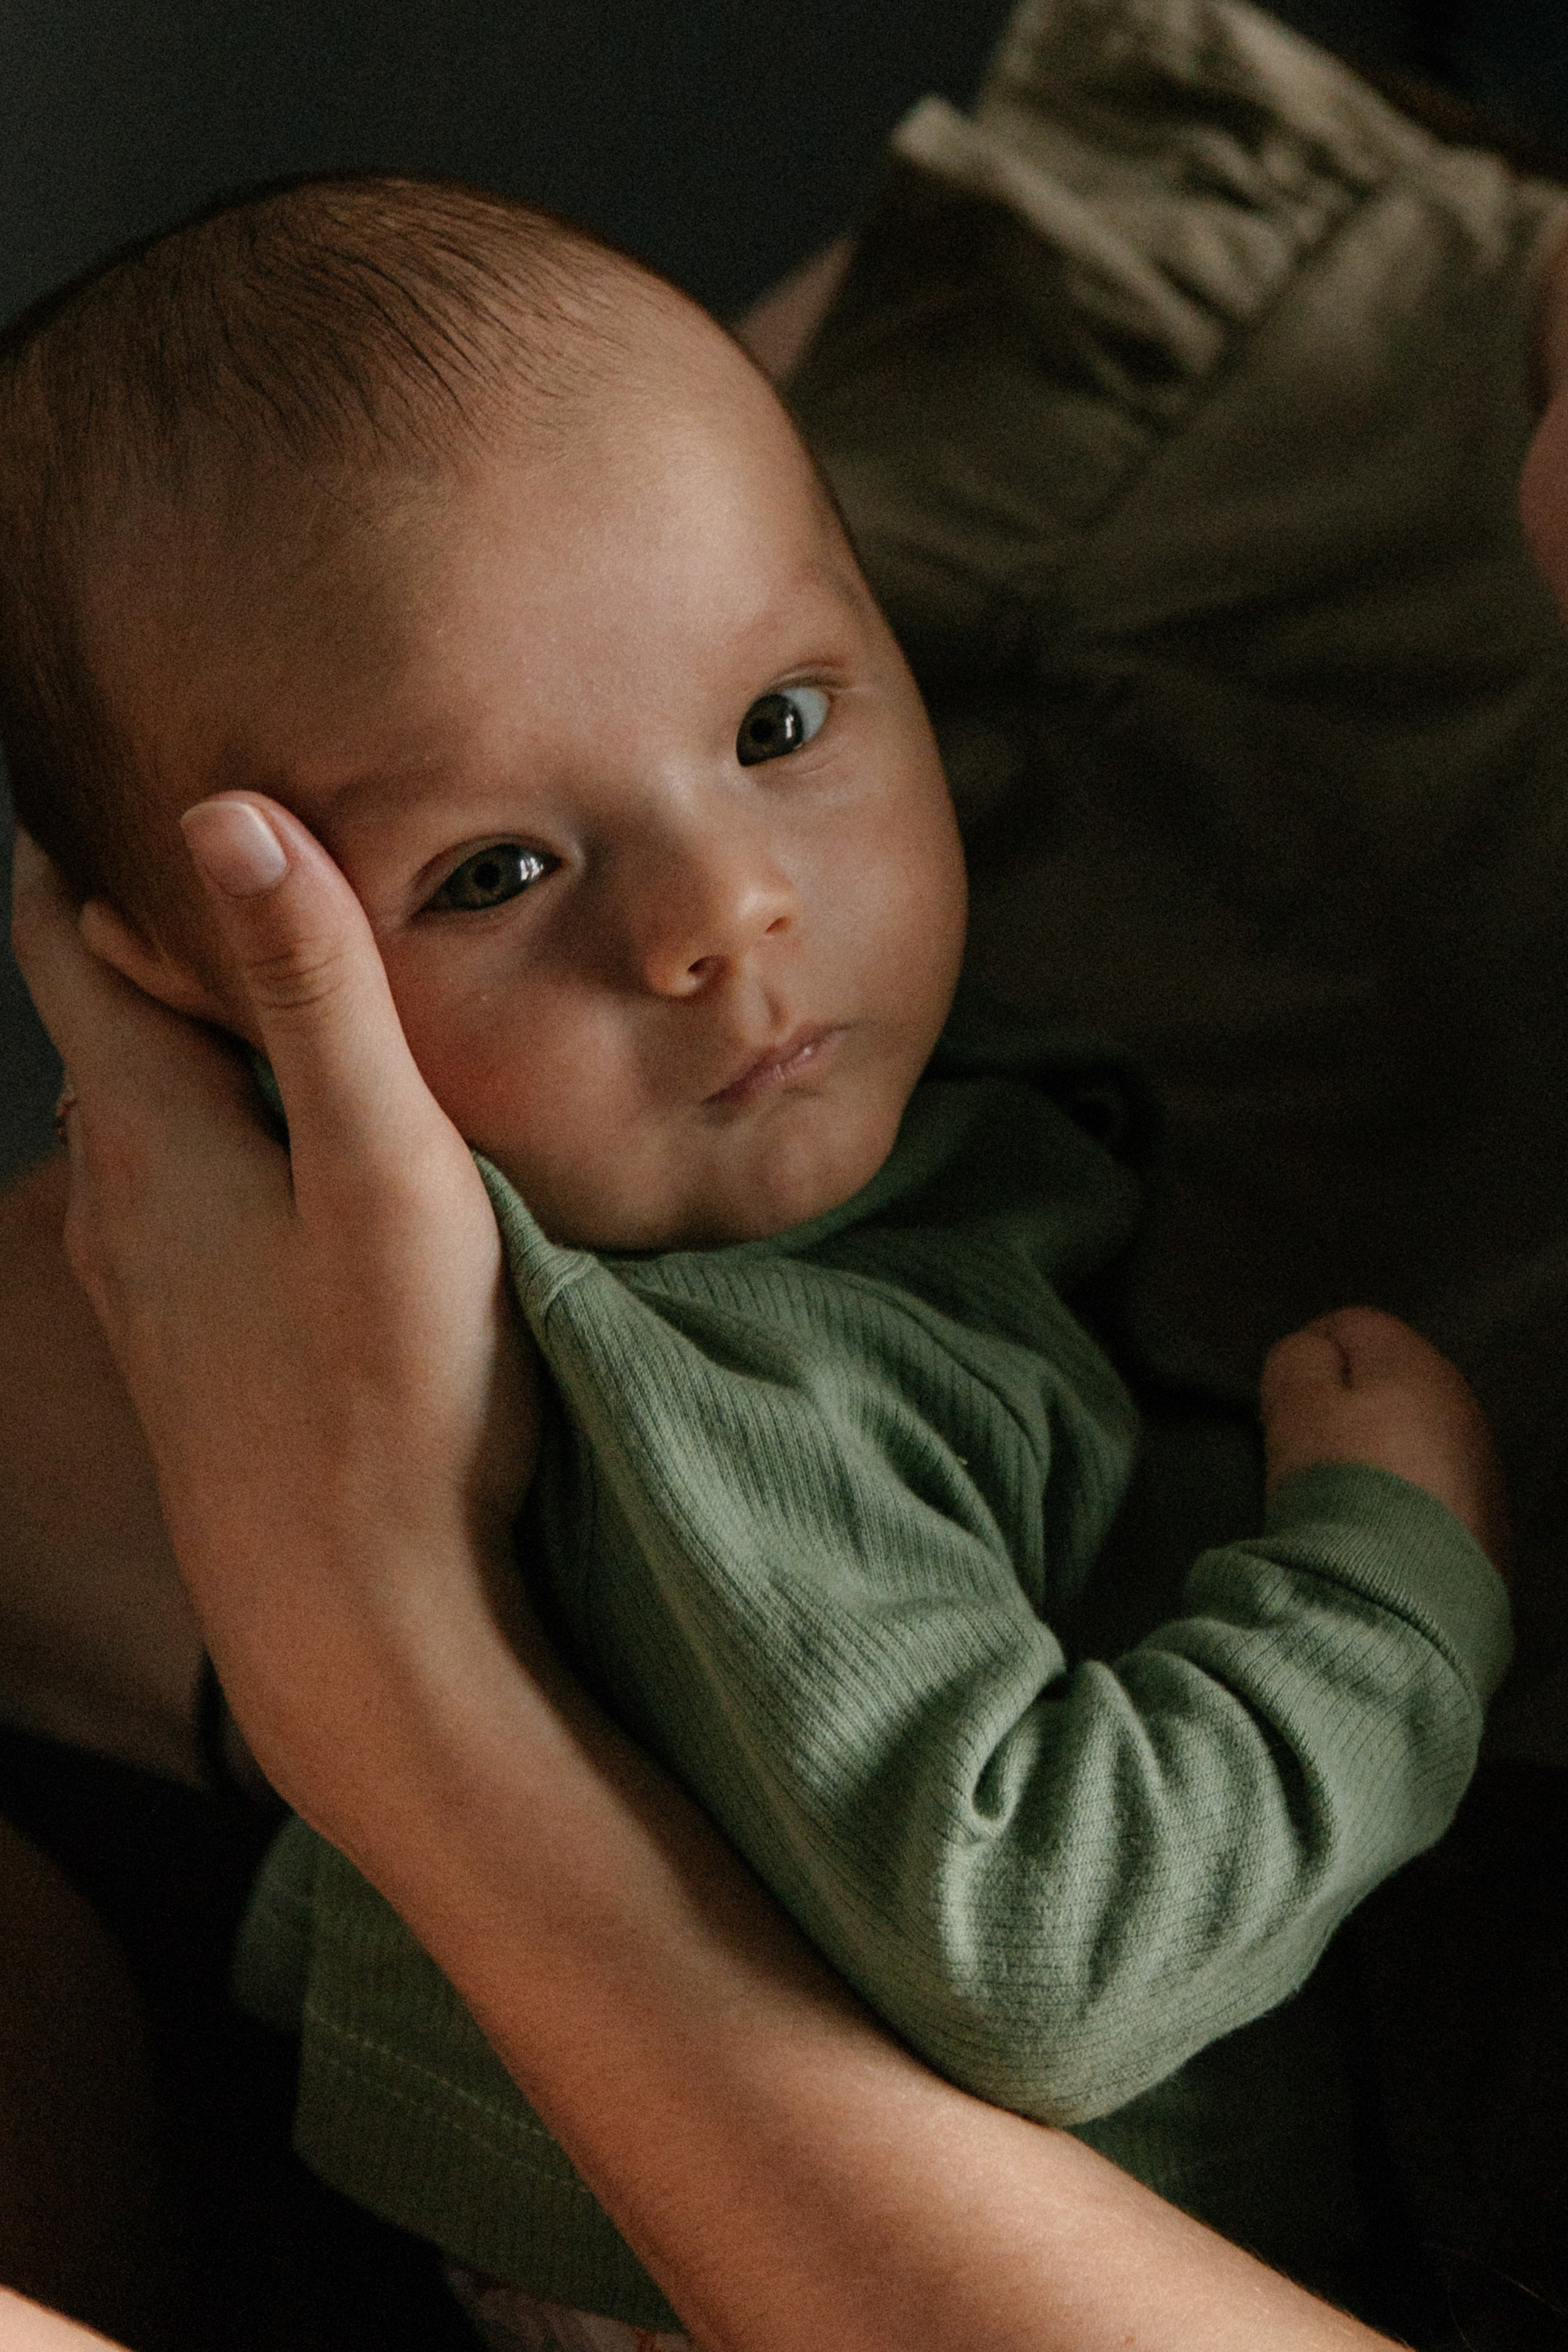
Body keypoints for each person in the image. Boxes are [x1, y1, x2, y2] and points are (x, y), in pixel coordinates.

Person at [0, 145, 1512, 2352]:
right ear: (204, 993)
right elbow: (1046, 1953)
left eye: (783, 727)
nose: (722, 915)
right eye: (499, 871)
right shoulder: (748, 1391)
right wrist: (1385, 1582)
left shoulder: (882, 1148)